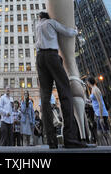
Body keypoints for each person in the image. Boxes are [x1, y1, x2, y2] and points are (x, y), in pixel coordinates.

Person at [35, 11, 87, 149]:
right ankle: (70, 138)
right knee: (65, 92)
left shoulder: (37, 26)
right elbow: (67, 31)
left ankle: (51, 141)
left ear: (40, 18)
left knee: (44, 99)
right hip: (52, 56)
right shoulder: (51, 22)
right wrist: (75, 31)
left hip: (39, 58)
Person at [86, 76, 111, 146]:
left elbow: (100, 103)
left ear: (89, 82)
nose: (87, 83)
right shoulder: (92, 90)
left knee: (106, 133)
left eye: (87, 82)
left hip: (102, 114)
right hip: (98, 114)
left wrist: (101, 117)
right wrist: (88, 102)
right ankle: (105, 148)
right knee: (100, 133)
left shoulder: (95, 90)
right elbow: (95, 103)